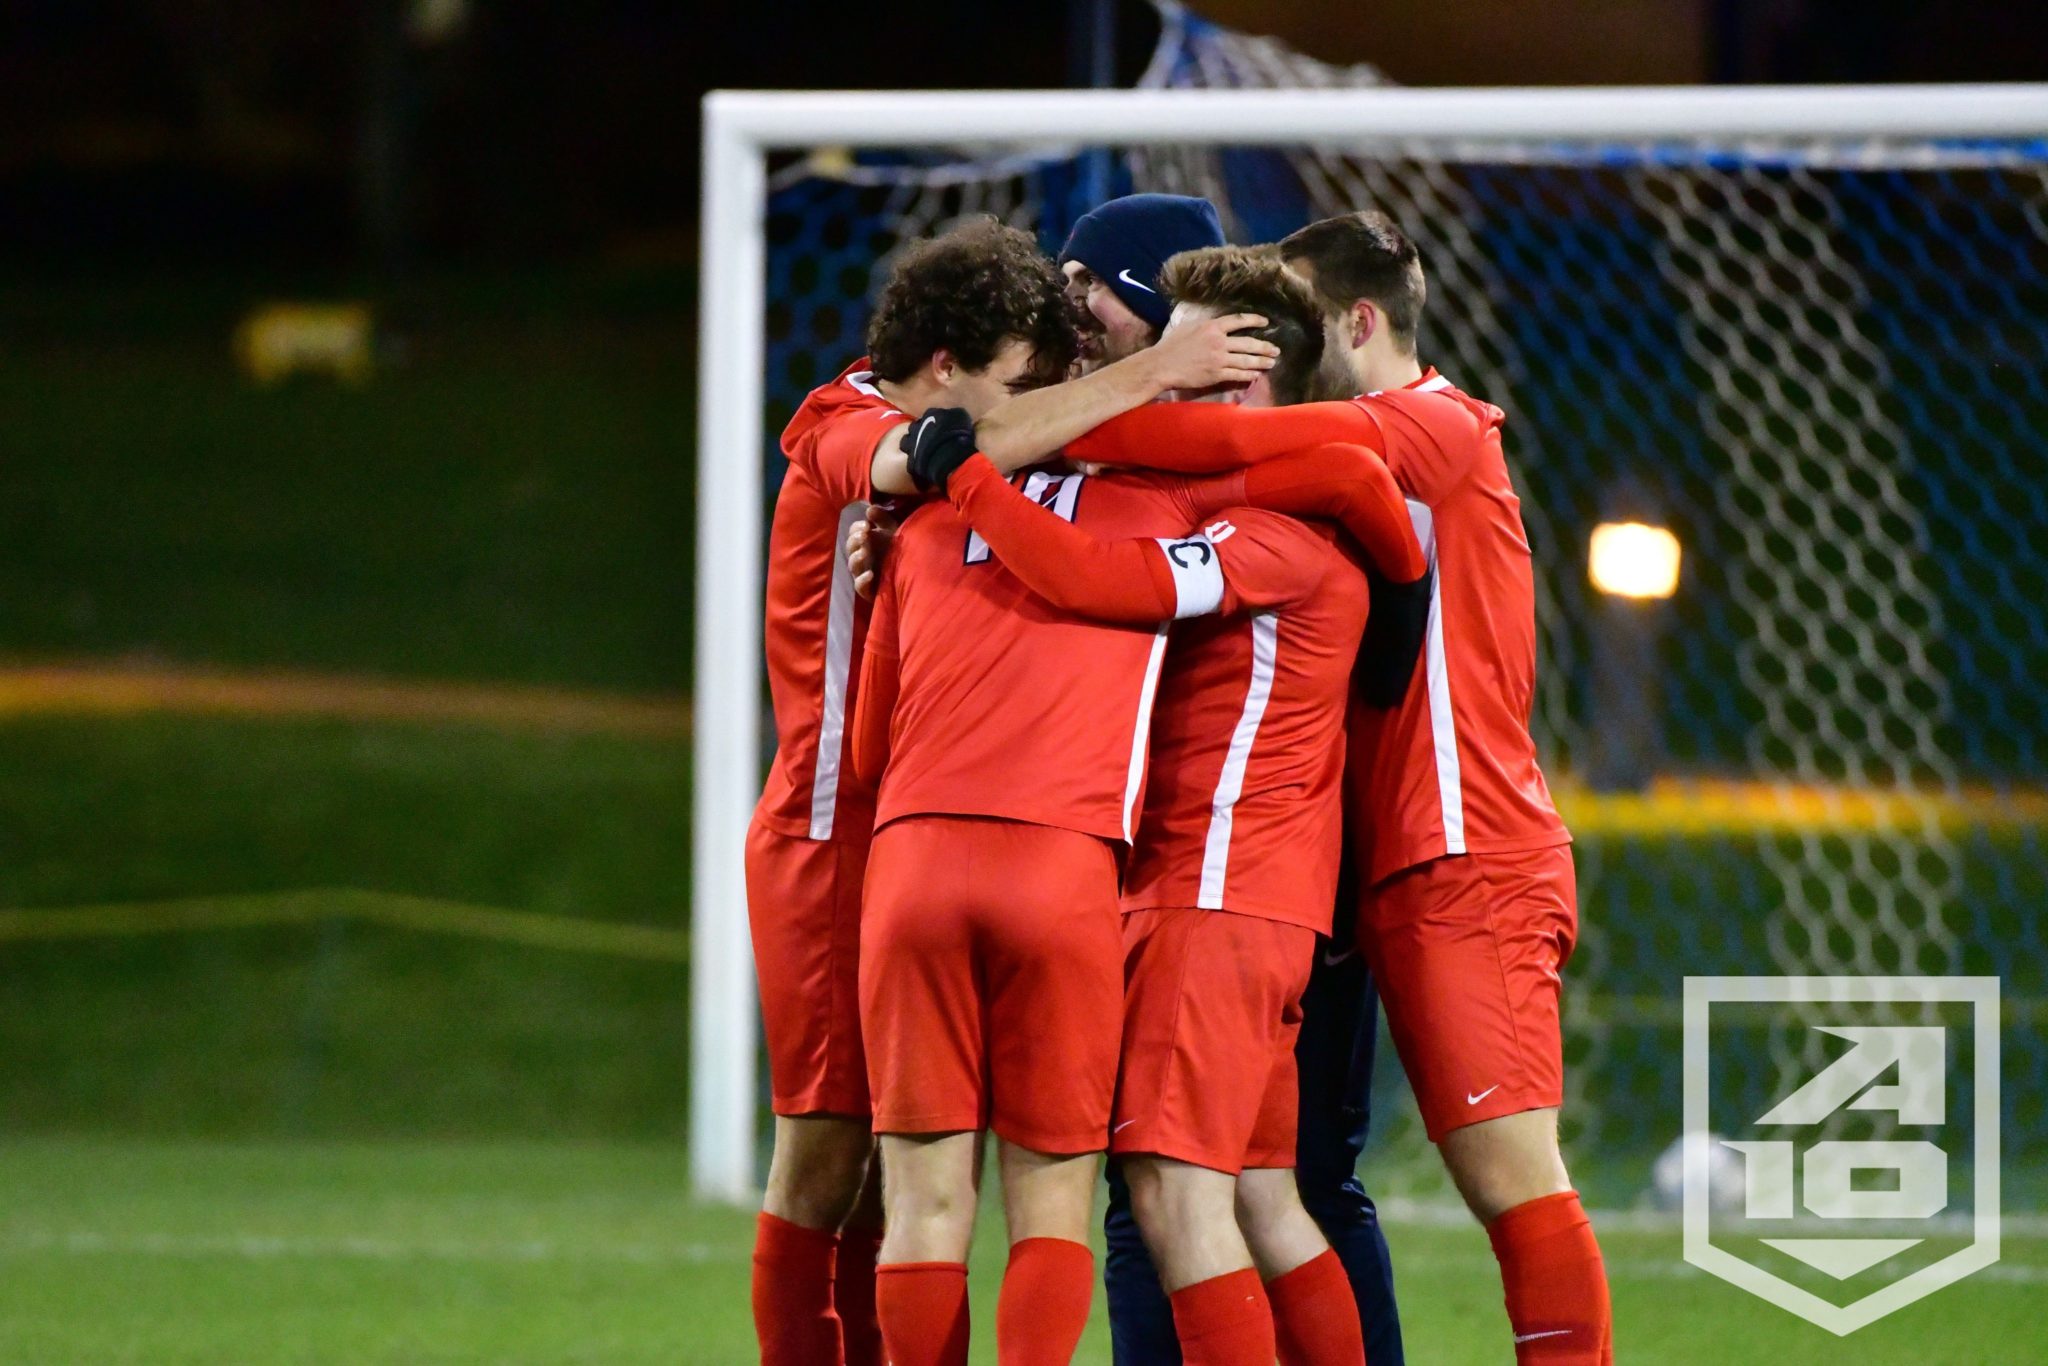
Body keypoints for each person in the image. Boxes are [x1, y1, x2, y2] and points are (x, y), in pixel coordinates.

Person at [1058, 210, 1614, 1365]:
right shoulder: (1309, 472)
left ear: (1355, 323)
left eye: (1287, 331)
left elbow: (1200, 450)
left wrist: (993, 447)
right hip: (1342, 866)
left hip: (1463, 852)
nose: (1262, 361)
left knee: (1505, 1179)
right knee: (1267, 1185)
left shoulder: (1426, 430)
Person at [752, 212, 1279, 1366]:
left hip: (908, 831)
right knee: (833, 1159)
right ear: (946, 368)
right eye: (1016, 378)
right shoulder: (847, 424)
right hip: (834, 826)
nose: (1041, 408)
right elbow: (961, 445)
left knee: (909, 1183)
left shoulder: (957, 510)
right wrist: (1160, 370)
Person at [911, 245, 1423, 1366]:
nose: (1159, 368)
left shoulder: (1276, 531)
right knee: (1258, 1197)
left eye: (1185, 354)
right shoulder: (1288, 492)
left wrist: (967, 482)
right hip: (1245, 898)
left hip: (1215, 894)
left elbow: (1112, 581)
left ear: (1242, 373)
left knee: (1175, 1199)